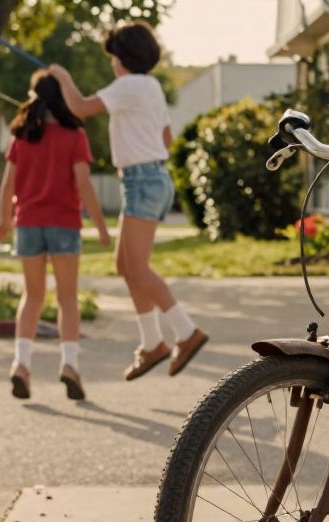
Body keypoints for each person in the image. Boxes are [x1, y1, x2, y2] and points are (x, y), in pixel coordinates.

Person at [47, 21, 208, 380]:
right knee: (126, 266)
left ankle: (185, 331)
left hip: (141, 181)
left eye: (113, 57)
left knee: (136, 268)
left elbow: (80, 107)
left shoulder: (128, 85)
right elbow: (166, 138)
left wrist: (61, 76)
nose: (112, 63)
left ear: (122, 58)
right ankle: (152, 343)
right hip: (150, 178)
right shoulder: (150, 87)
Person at [0, 70, 110, 401]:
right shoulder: (74, 135)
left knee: (32, 296)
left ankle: (21, 364)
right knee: (67, 298)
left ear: (35, 97)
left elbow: (7, 184)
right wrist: (100, 226)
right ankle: (70, 366)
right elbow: (84, 183)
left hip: (28, 223)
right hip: (64, 224)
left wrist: (4, 220)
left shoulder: (22, 136)